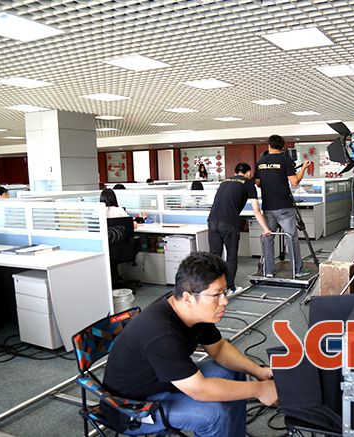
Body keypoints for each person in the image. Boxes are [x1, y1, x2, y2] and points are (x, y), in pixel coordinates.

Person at [103, 252, 277, 436]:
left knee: (233, 371)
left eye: (224, 292)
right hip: (130, 408)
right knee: (213, 416)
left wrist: (258, 371)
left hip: (165, 382)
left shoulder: (192, 310)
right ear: (188, 298)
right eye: (216, 295)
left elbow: (219, 348)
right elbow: (199, 390)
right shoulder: (161, 332)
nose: (225, 301)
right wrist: (259, 390)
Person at [207, 163, 271, 294]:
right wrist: (266, 228)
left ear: (235, 172)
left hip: (212, 221)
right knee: (231, 255)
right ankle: (230, 288)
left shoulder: (224, 182)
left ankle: (213, 288)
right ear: (248, 173)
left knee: (215, 256)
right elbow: (256, 210)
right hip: (229, 222)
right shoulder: (248, 183)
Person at [254, 135, 311, 278]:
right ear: (282, 147)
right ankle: (297, 270)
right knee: (291, 238)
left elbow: (258, 183)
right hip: (284, 206)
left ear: (269, 145)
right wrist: (303, 168)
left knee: (268, 238)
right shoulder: (285, 160)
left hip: (268, 206)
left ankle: (268, 271)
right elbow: (294, 182)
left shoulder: (260, 162)